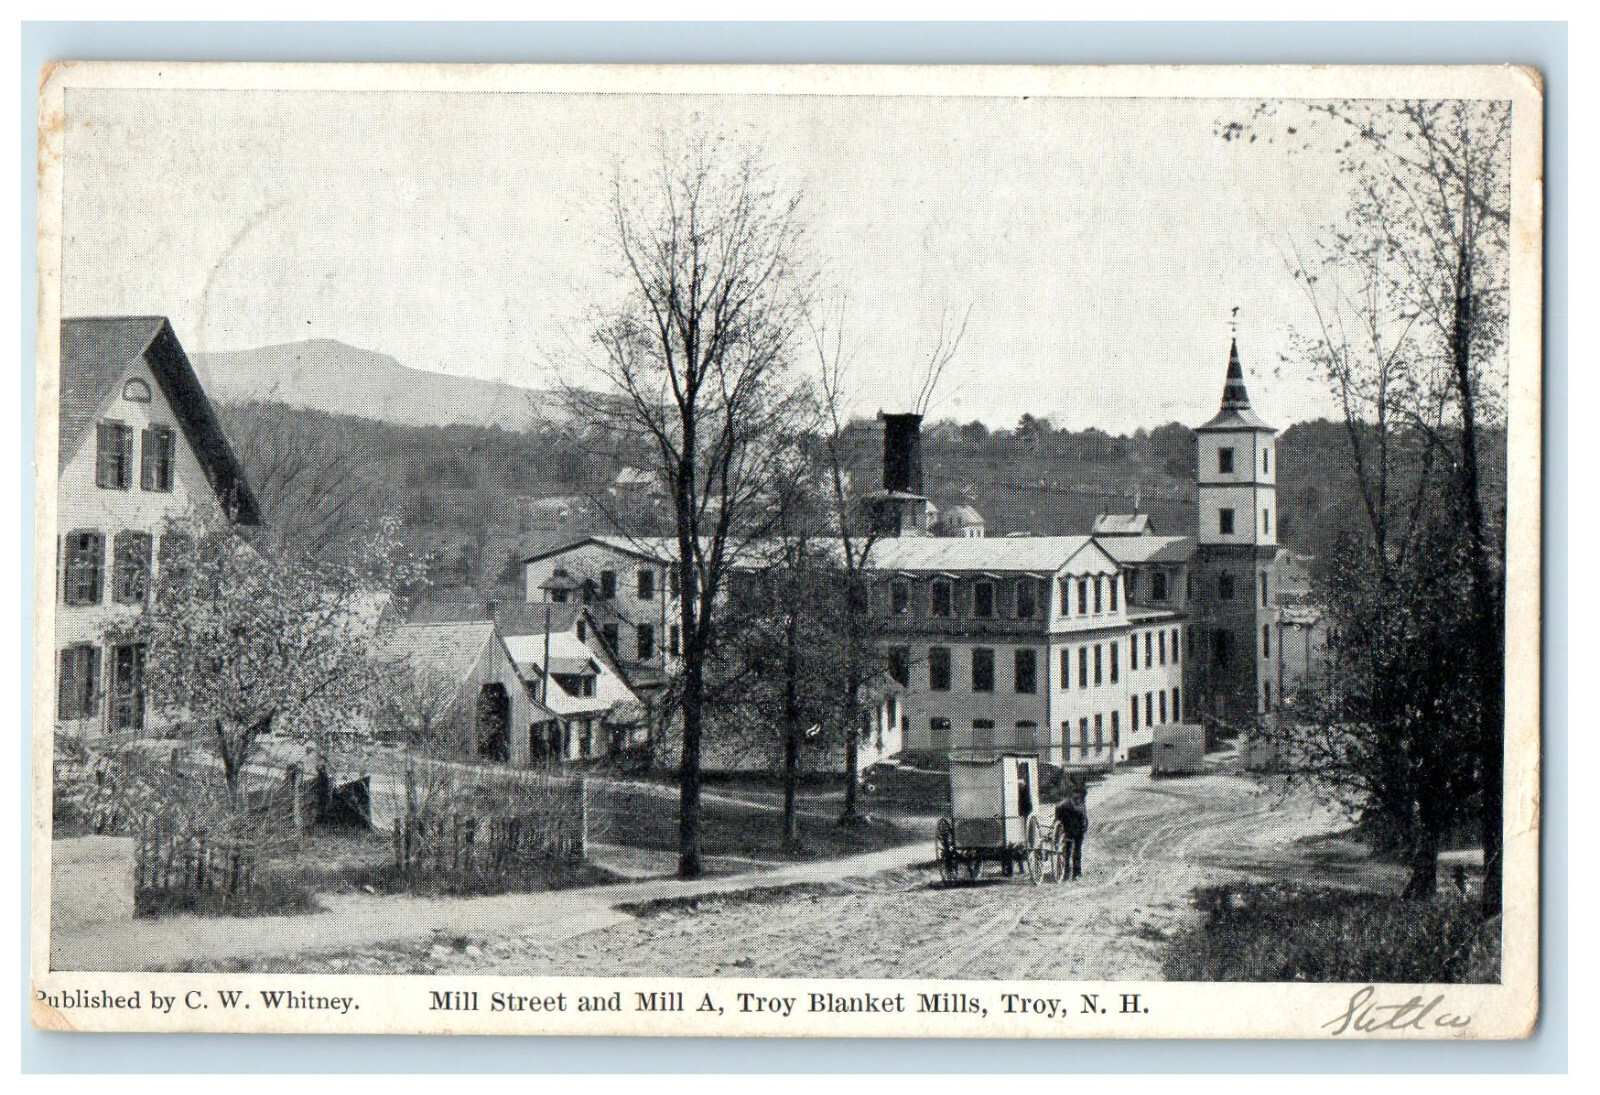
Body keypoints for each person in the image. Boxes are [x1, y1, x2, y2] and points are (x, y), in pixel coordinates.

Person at [1054, 794, 1088, 879]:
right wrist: (1083, 830)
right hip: (1077, 831)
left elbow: (1057, 820)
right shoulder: (1080, 806)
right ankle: (1076, 873)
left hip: (1066, 831)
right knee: (1077, 851)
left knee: (1067, 851)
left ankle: (1066, 873)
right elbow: (1084, 820)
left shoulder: (1061, 806)